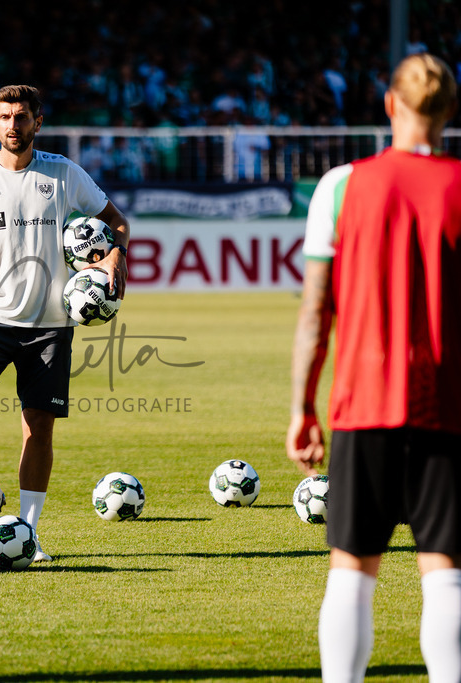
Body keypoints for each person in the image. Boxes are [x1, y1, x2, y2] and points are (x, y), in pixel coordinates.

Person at [286, 54, 461, 683]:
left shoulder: (340, 185)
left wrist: (304, 407)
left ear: (391, 105)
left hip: (363, 404)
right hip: (448, 405)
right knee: (446, 569)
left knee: (353, 569)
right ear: (450, 112)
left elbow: (314, 313)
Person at [0, 85, 129, 561]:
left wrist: (115, 256)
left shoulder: (63, 174)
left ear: (38, 122)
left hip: (50, 322)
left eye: (22, 117)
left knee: (37, 426)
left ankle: (29, 531)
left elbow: (116, 222)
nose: (12, 126)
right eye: (4, 117)